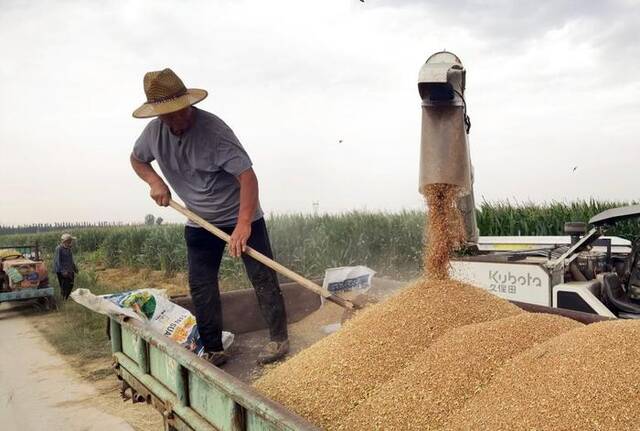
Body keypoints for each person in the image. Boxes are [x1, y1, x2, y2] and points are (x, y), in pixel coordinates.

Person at [129, 68, 289, 366]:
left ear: (189, 103)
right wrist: (155, 182)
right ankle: (214, 348)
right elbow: (137, 159)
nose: (176, 120)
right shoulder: (153, 134)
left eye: (180, 112)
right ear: (157, 114)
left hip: (240, 215)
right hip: (199, 221)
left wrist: (243, 225)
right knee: (201, 285)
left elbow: (248, 177)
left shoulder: (215, 133)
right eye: (167, 115)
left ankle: (278, 339)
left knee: (263, 277)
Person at [53, 233, 78, 300]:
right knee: (64, 285)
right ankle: (64, 298)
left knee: (71, 284)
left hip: (69, 269)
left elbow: (71, 260)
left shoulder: (69, 249)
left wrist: (75, 268)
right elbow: (57, 261)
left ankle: (65, 297)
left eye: (71, 241)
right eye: (69, 240)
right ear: (65, 241)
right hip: (61, 271)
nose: (71, 242)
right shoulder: (59, 248)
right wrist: (63, 271)